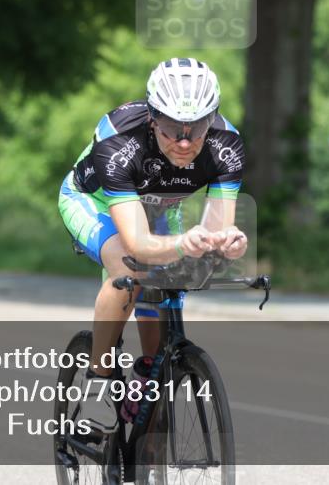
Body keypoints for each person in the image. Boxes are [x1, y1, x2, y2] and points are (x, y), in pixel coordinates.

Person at [58, 58, 248, 434]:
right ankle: (99, 378)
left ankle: (150, 377)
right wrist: (182, 244)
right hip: (95, 202)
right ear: (152, 117)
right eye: (171, 128)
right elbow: (138, 244)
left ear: (212, 119)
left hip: (159, 206)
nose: (184, 141)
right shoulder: (118, 139)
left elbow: (216, 232)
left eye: (197, 128)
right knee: (128, 266)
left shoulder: (227, 145)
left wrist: (228, 243)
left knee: (173, 280)